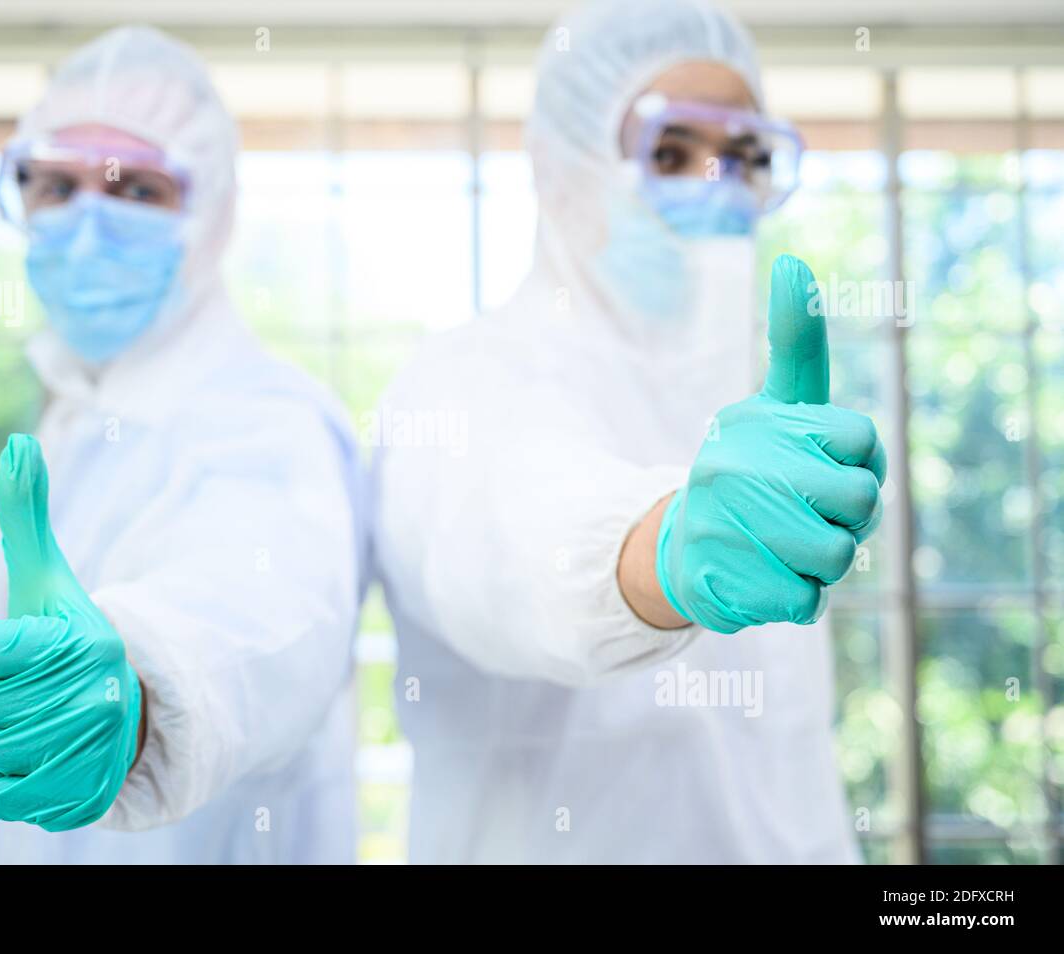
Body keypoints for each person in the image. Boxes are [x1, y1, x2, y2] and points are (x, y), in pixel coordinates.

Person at [372, 0, 886, 863]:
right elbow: (506, 537)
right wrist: (661, 547)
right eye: (671, 151)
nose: (715, 185)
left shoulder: (759, 412)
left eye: (743, 156)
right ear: (563, 169)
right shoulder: (468, 380)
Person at [0, 25, 365, 864]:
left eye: (135, 189)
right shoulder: (69, 419)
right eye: (56, 186)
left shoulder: (265, 416)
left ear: (210, 218)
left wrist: (134, 692)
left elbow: (264, 608)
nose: (88, 222)